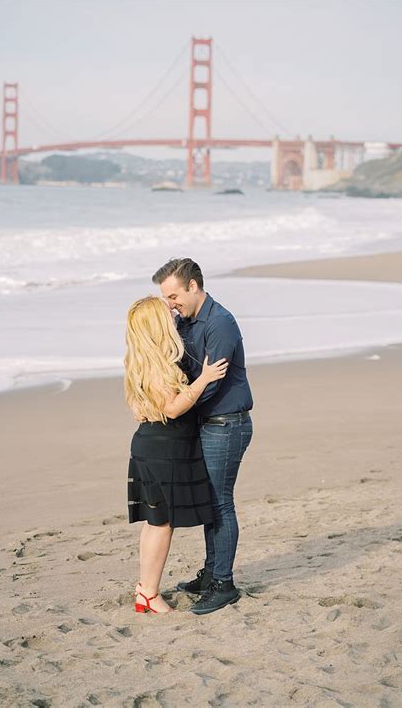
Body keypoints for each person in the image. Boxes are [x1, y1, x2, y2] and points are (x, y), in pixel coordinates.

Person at [152, 258, 253, 615]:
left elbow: (213, 384)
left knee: (220, 502)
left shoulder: (220, 323)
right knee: (210, 502)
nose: (170, 304)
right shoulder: (184, 321)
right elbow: (180, 368)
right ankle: (211, 573)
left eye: (174, 296)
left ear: (193, 286)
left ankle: (224, 584)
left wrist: (177, 410)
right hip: (204, 423)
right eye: (165, 298)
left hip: (227, 423)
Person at [124, 295, 229, 614]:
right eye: (165, 311)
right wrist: (204, 380)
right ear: (157, 324)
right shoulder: (160, 363)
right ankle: (149, 595)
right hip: (164, 450)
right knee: (161, 524)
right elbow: (172, 408)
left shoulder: (139, 359)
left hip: (149, 445)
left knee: (156, 522)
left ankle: (145, 589)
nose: (172, 313)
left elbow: (138, 409)